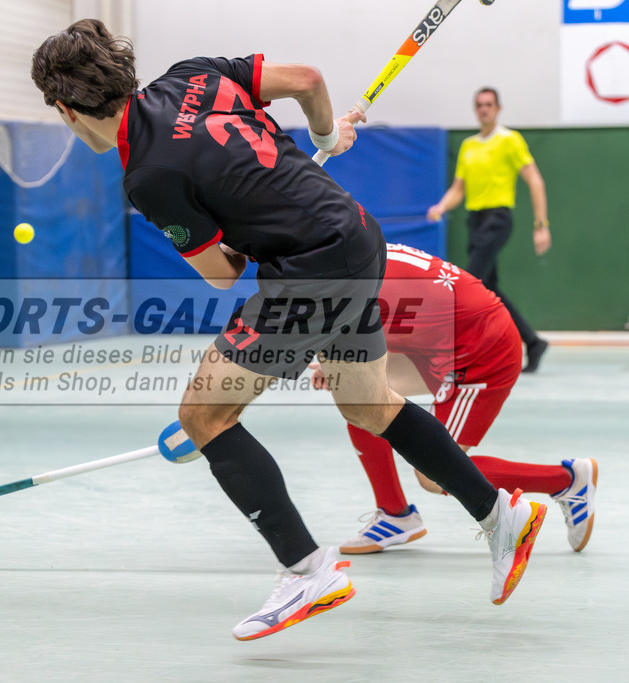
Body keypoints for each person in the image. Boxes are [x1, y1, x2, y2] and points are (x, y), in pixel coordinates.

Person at [31, 20, 547, 641]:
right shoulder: (191, 75)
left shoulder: (146, 177)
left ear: (66, 109)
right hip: (358, 238)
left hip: (310, 272)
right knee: (367, 402)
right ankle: (498, 514)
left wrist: (238, 232)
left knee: (204, 415)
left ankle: (306, 569)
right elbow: (307, 81)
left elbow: (222, 275)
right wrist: (326, 135)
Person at [308, 243, 596, 554]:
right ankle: (396, 516)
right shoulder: (353, 250)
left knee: (433, 475)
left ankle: (567, 480)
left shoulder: (340, 279)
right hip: (443, 345)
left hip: (483, 353)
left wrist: (335, 358)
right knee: (360, 396)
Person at [427, 87, 551, 373]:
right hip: (475, 221)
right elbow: (459, 188)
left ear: (498, 108)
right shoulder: (469, 146)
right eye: (479, 105)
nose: (484, 109)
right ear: (475, 109)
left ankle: (461, 355)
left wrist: (541, 225)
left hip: (497, 219)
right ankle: (533, 342)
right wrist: (442, 206)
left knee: (469, 283)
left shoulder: (510, 140)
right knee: (489, 286)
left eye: (489, 105)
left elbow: (535, 181)